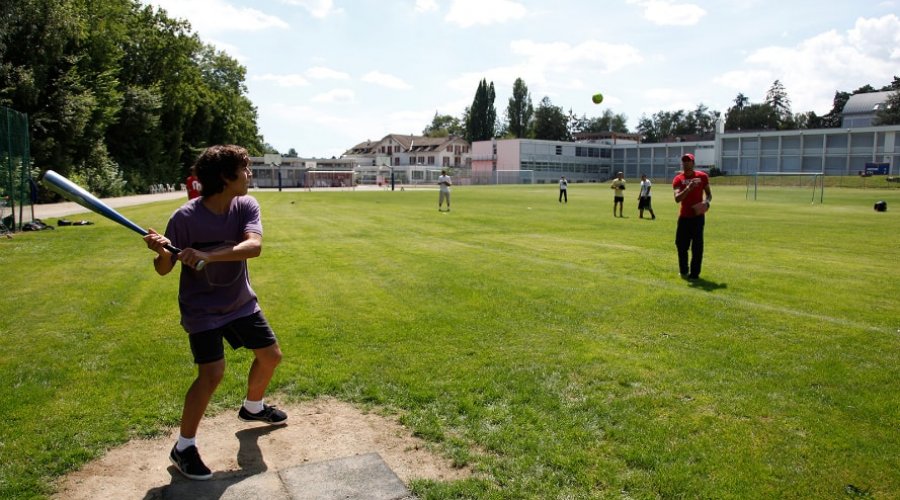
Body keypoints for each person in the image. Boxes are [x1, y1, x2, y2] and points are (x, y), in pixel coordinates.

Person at [143, 145, 287, 481]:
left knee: (271, 356)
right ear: (225, 177)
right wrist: (162, 252)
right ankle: (184, 447)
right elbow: (164, 269)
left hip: (240, 302)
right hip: (202, 309)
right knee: (212, 374)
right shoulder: (185, 218)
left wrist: (208, 255)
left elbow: (254, 246)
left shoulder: (245, 205)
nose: (249, 174)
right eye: (245, 169)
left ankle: (253, 408)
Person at [672, 153, 712, 280]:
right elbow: (677, 198)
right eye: (684, 161)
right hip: (684, 217)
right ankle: (684, 271)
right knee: (681, 245)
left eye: (688, 161)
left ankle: (695, 274)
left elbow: (709, 194)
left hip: (697, 217)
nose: (686, 163)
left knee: (697, 246)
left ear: (693, 163)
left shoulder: (702, 176)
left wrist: (706, 203)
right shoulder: (678, 179)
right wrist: (688, 188)